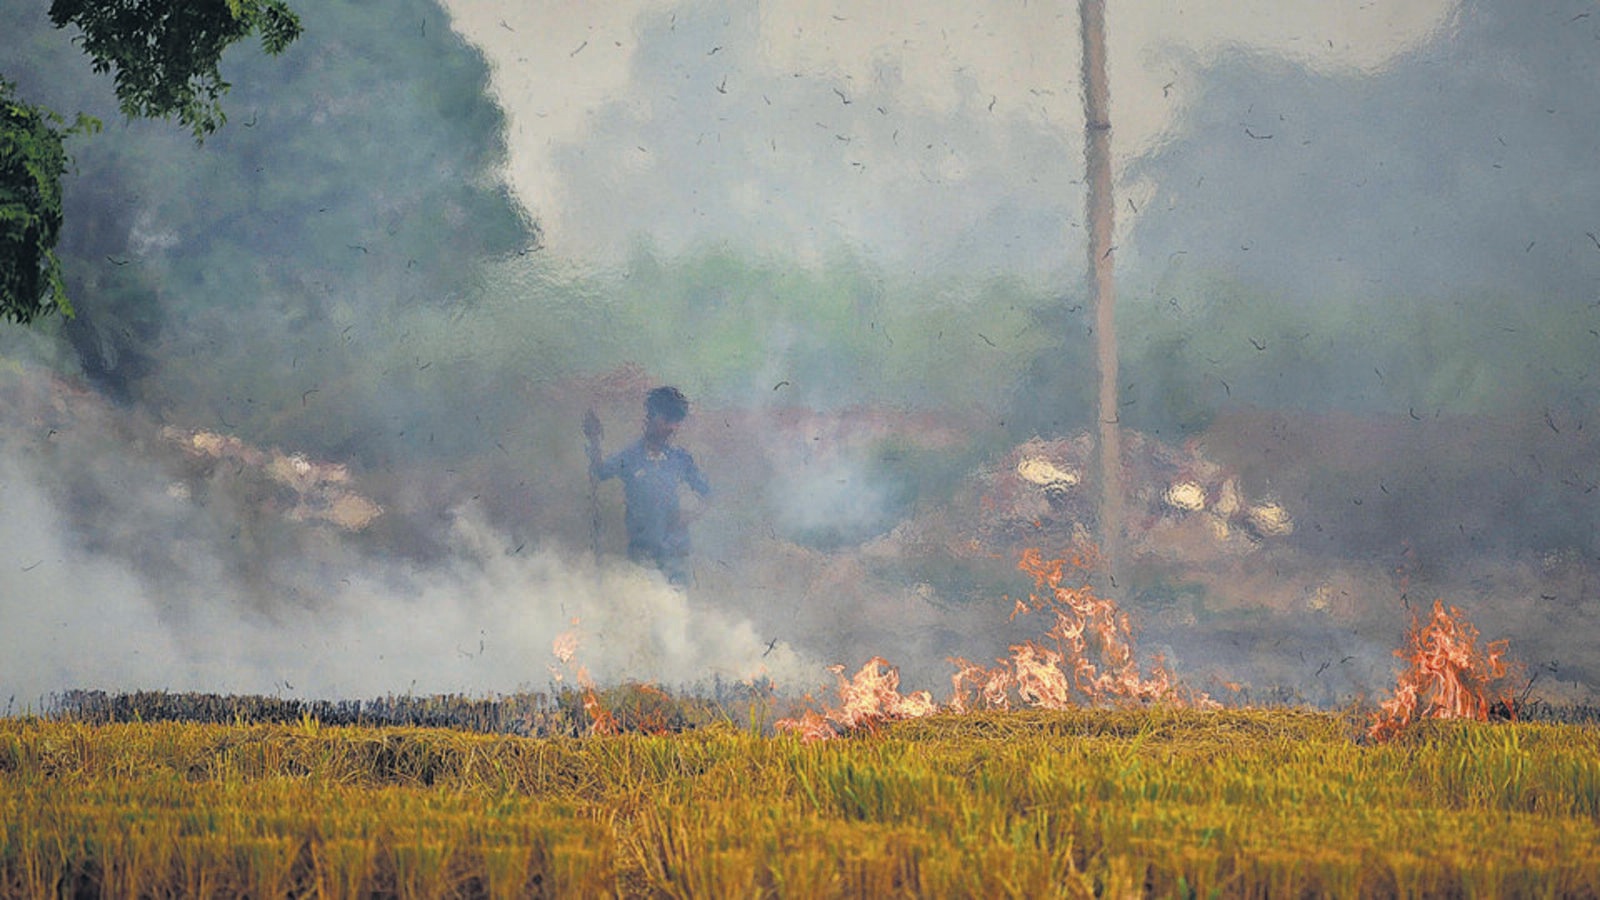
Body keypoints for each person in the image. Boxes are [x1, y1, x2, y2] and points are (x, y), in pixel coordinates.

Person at [585, 386, 710, 587]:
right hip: (641, 554)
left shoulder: (680, 458)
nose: (672, 427)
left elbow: (707, 493)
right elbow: (600, 472)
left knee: (675, 610)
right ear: (651, 418)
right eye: (667, 420)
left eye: (677, 422)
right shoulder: (630, 457)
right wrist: (594, 440)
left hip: (675, 555)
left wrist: (692, 514)